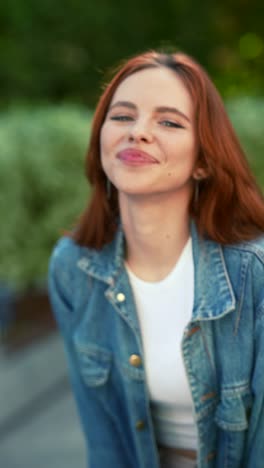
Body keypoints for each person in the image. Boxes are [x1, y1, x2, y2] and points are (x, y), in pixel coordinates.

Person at [48, 50, 264, 468]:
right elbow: (104, 441)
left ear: (203, 161)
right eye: (123, 116)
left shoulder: (253, 273)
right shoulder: (73, 267)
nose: (138, 132)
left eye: (168, 122)